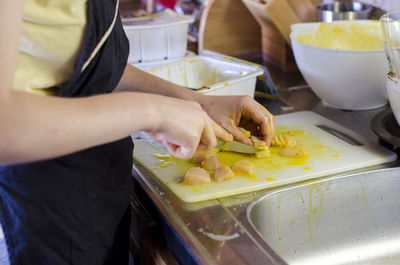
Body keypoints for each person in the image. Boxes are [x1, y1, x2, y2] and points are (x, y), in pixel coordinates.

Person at [0, 0, 274, 264]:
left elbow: (97, 69)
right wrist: (152, 113)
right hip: (47, 198)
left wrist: (200, 103)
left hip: (98, 182)